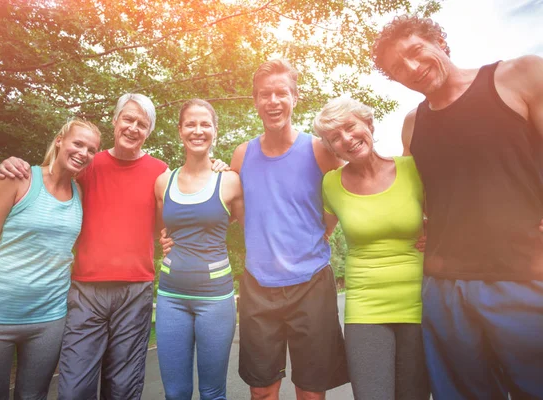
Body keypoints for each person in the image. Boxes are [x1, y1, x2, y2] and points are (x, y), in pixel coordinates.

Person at [372, 15, 543, 399]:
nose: (412, 68)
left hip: (524, 276)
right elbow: (412, 195)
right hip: (445, 288)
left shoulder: (520, 75)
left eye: (416, 51)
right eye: (398, 68)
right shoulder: (413, 124)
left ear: (439, 41)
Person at [0, 93, 168, 399]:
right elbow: (49, 180)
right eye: (127, 119)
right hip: (86, 289)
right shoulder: (88, 164)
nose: (132, 128)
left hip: (135, 290)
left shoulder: (160, 172)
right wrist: (14, 164)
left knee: (123, 388)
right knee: (74, 387)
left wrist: (217, 167)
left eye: (142, 124)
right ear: (115, 121)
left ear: (149, 131)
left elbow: (186, 203)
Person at [0, 119, 101, 400]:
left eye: (91, 149)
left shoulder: (80, 193)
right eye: (78, 143)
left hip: (49, 321)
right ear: (60, 141)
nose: (84, 153)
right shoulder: (18, 177)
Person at [231, 59, 348, 400]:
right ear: (255, 101)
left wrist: (318, 234)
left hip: (311, 284)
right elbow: (229, 209)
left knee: (310, 391)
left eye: (281, 93)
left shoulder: (319, 150)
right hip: (258, 286)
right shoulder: (242, 155)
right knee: (262, 390)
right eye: (265, 94)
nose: (273, 101)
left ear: (295, 97)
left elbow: (346, 195)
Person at [314, 96, 429, 400]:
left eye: (350, 127)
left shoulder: (413, 169)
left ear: (368, 123)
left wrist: (438, 232)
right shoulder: (331, 184)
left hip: (419, 302)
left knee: (413, 395)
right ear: (332, 149)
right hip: (366, 307)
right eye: (335, 137)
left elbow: (450, 215)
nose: (347, 139)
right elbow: (316, 235)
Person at [153, 99, 244, 400]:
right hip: (170, 298)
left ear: (215, 131)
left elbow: (250, 230)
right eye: (190, 124)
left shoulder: (230, 181)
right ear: (180, 130)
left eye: (205, 124)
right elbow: (162, 229)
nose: (198, 130)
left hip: (215, 300)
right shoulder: (162, 182)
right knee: (176, 392)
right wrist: (164, 240)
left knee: (212, 392)